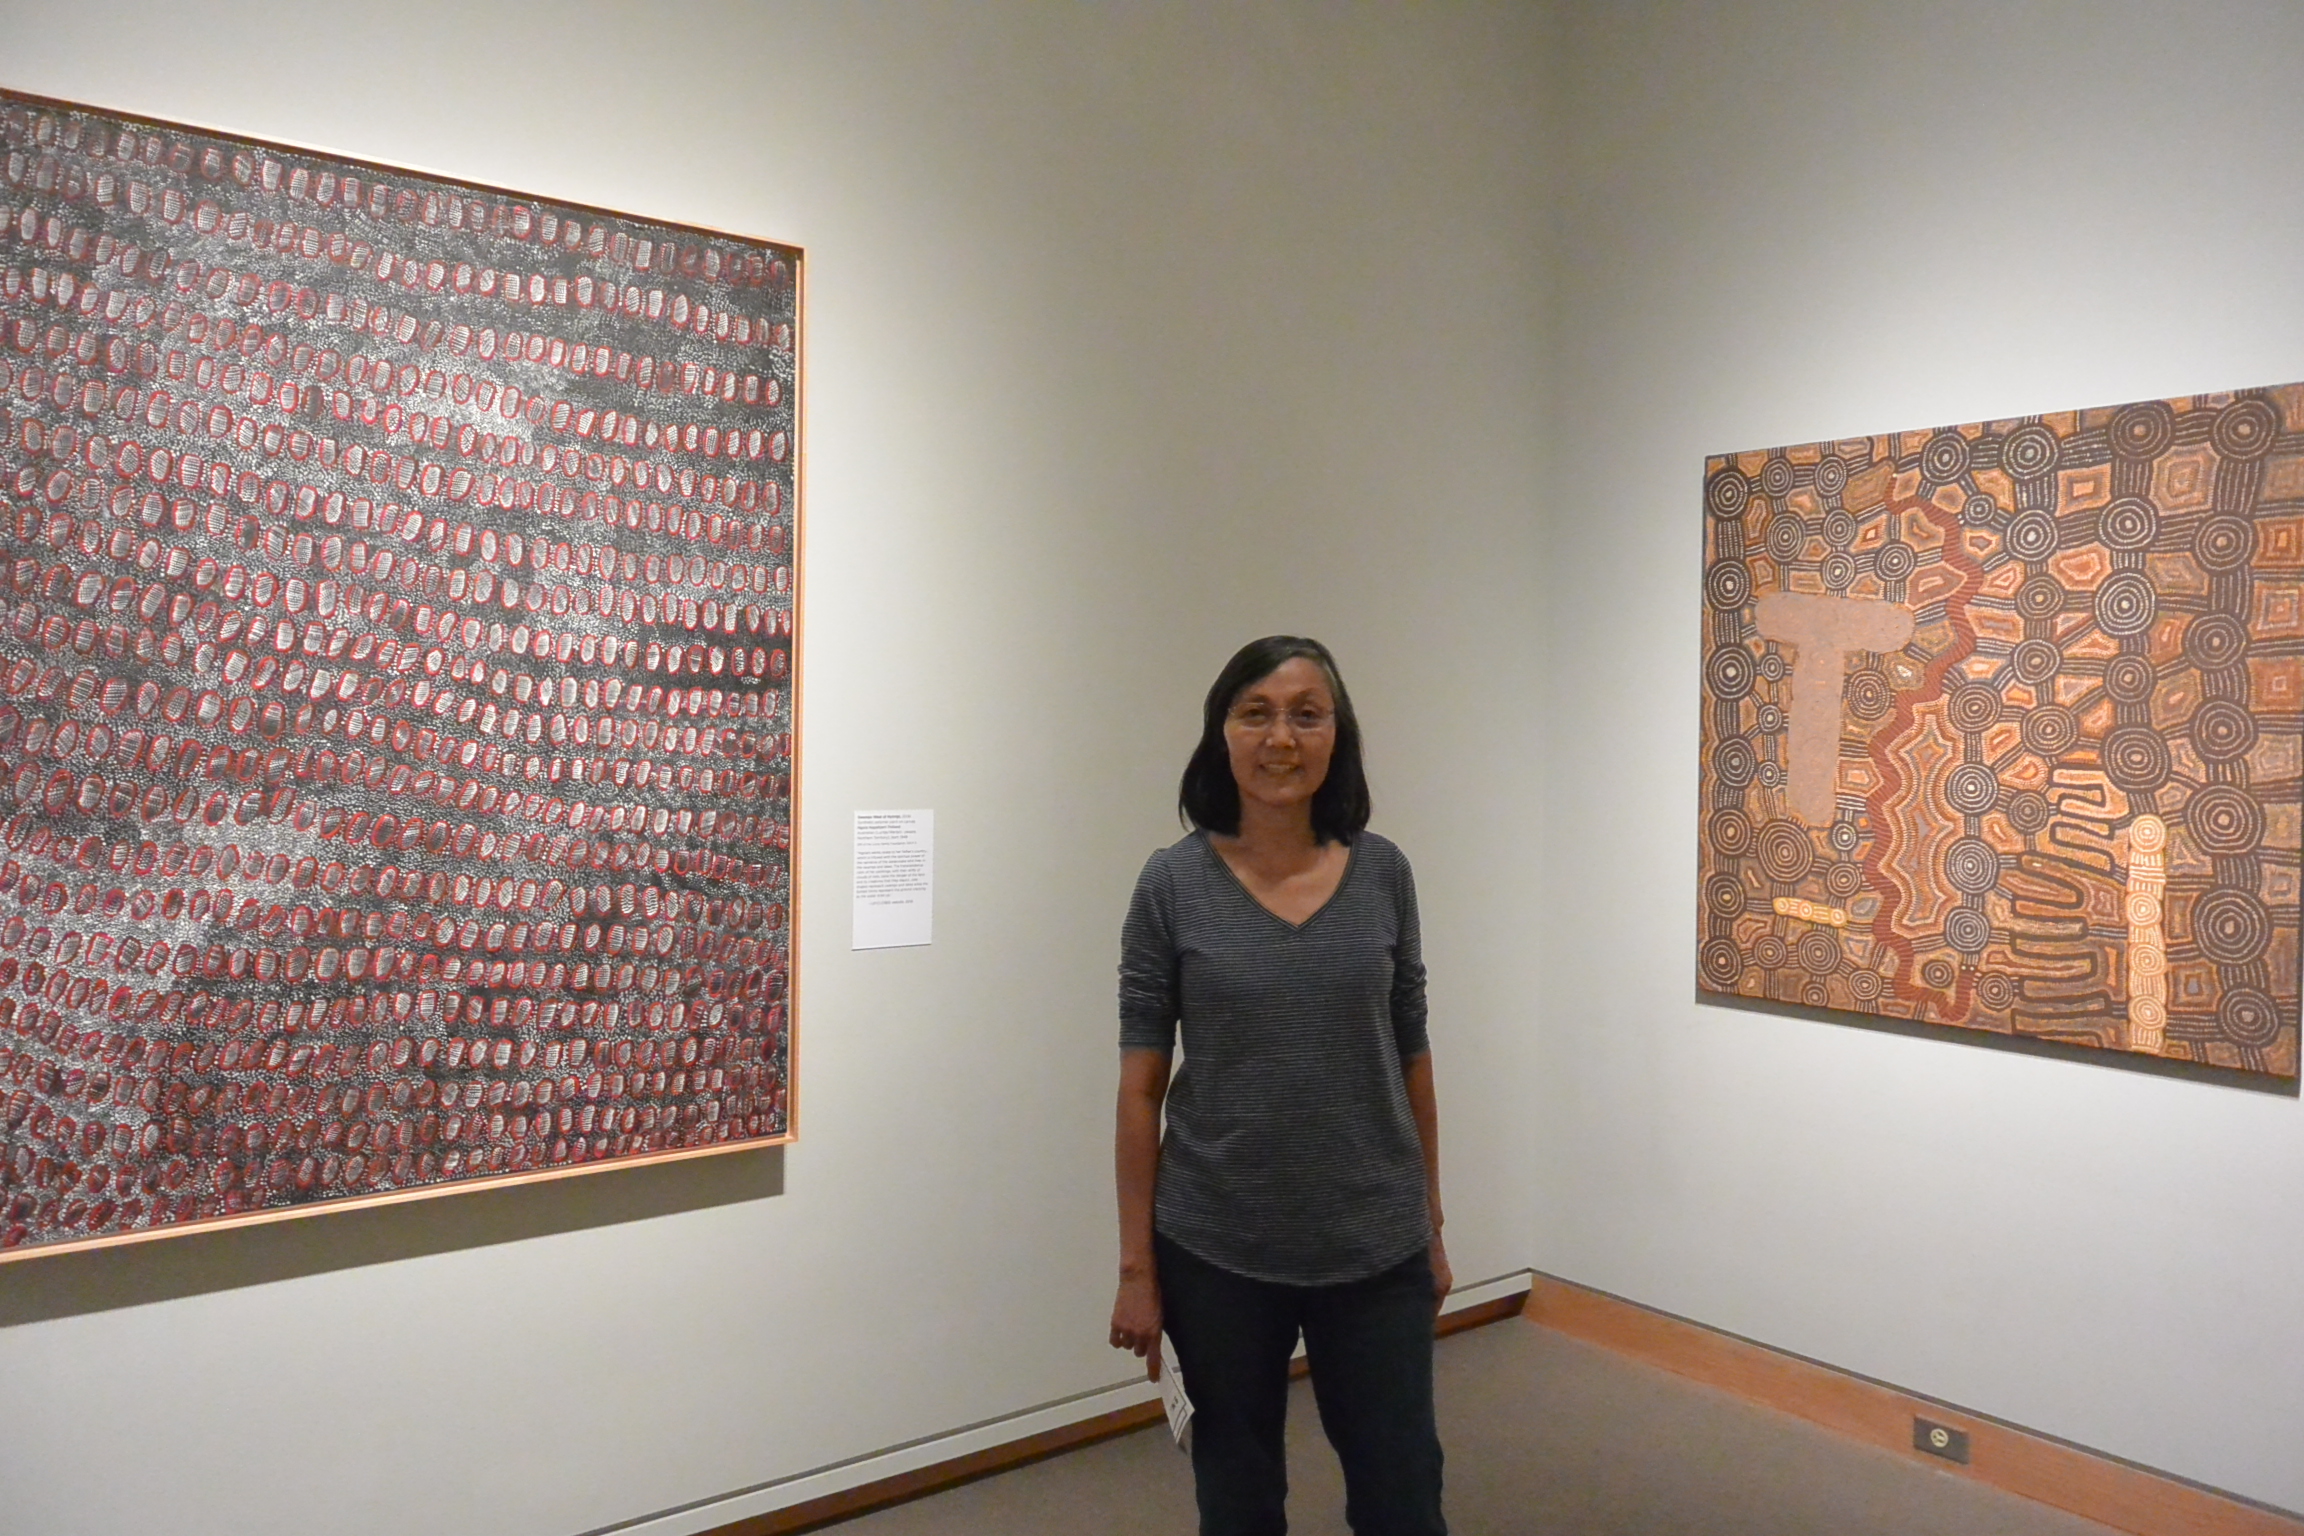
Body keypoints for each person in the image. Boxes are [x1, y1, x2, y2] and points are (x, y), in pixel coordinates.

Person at [1109, 635, 1449, 1536]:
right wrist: (1137, 1269)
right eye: (1255, 713)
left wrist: (1431, 1224)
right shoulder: (1172, 884)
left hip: (1374, 1247)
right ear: (1220, 732)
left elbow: (1412, 1054)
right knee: (1239, 1502)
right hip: (1217, 1247)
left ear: (1339, 734)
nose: (1282, 738)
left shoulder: (1385, 873)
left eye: (1307, 715)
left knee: (1403, 1497)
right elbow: (1140, 1090)